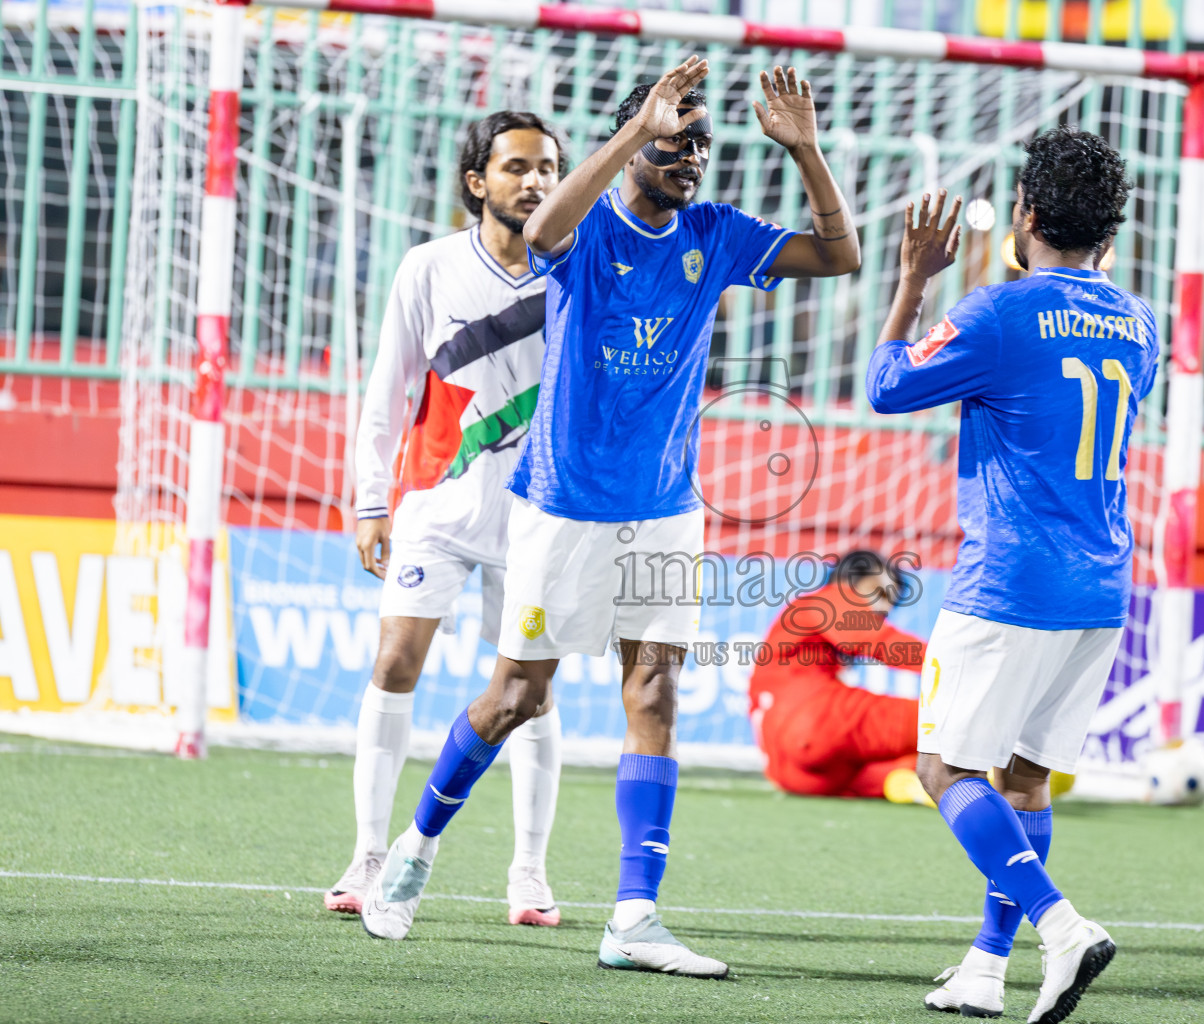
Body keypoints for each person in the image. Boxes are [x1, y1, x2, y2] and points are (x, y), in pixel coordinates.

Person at [360, 57, 860, 979]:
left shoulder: (716, 234)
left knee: (655, 694)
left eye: (701, 144)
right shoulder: (585, 227)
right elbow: (541, 231)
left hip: (666, 509)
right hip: (561, 507)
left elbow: (840, 256)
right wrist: (638, 126)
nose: (691, 157)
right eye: (675, 142)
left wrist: (806, 152)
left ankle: (634, 917)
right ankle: (415, 849)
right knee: (516, 698)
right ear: (636, 149)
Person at [866, 126, 1156, 1023]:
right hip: (1101, 586)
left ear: (1024, 213)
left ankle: (1060, 928)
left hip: (1011, 583)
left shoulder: (998, 313)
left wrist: (915, 281)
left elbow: (886, 387)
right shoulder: (1140, 324)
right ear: (1111, 229)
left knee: (944, 769)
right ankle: (987, 968)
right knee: (1025, 780)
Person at [329, 111, 566, 929]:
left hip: (540, 517)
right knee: (395, 661)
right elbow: (388, 386)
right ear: (477, 181)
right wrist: (371, 500)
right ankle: (368, 853)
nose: (535, 181)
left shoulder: (575, 270)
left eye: (548, 167)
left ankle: (528, 870)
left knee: (530, 695)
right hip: (437, 505)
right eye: (517, 166)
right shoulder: (428, 267)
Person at [748, 550, 931, 804]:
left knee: (880, 771)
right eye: (879, 591)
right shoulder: (825, 600)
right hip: (812, 720)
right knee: (945, 723)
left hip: (789, 772)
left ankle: (903, 782)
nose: (886, 607)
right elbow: (877, 640)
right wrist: (954, 666)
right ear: (848, 581)